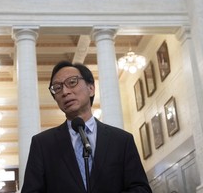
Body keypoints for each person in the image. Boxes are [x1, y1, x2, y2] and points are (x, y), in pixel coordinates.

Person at [21, 60, 152, 193]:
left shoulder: (121, 140)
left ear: (91, 88)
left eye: (72, 82)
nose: (65, 92)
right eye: (57, 88)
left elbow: (141, 189)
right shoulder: (43, 144)